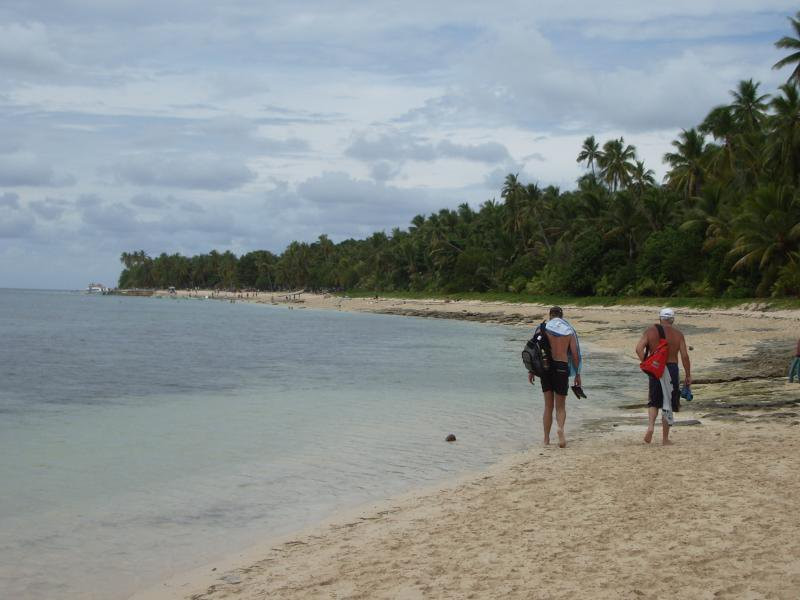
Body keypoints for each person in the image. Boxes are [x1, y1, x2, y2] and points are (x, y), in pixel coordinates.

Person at [527, 306, 582, 448]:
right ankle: (560, 429)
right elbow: (575, 354)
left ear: (550, 315)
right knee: (560, 406)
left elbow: (533, 352)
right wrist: (577, 374)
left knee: (548, 406)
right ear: (562, 316)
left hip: (545, 368)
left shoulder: (542, 328)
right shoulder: (568, 330)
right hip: (562, 367)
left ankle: (546, 439)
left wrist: (531, 371)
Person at [635, 308, 691, 445]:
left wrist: (648, 363)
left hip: (656, 368)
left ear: (660, 318)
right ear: (672, 319)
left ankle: (650, 427)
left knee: (653, 401)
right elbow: (684, 356)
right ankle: (665, 439)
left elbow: (638, 349)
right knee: (668, 402)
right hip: (672, 368)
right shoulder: (678, 334)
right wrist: (688, 374)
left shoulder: (650, 331)